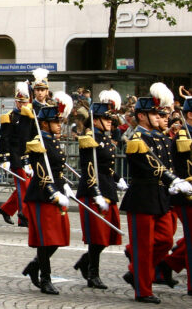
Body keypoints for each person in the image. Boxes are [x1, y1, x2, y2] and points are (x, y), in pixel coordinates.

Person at [121, 83, 192, 304]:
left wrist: (174, 182)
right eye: (154, 114)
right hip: (142, 197)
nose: (160, 117)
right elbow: (154, 166)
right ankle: (143, 290)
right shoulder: (137, 140)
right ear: (142, 116)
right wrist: (174, 180)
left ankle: (137, 271)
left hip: (160, 196)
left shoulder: (160, 137)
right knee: (142, 246)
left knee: (164, 239)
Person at [21, 92, 74, 295]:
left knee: (59, 237)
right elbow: (42, 172)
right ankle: (45, 279)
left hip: (56, 191)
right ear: (44, 124)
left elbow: (56, 169)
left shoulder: (51, 139)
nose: (59, 125)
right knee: (47, 239)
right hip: (43, 195)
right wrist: (54, 192)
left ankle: (34, 267)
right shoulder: (38, 142)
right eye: (55, 122)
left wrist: (65, 185)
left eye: (59, 121)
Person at [72, 90, 126, 289]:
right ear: (96, 120)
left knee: (109, 236)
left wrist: (119, 179)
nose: (110, 121)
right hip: (93, 191)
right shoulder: (90, 138)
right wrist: (95, 192)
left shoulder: (105, 138)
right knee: (98, 236)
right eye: (105, 118)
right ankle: (92, 273)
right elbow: (89, 168)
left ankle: (85, 262)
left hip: (108, 190)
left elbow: (107, 167)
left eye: (110, 118)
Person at [159, 96, 192, 296]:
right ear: (190, 115)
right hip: (186, 195)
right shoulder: (182, 136)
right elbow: (181, 169)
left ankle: (167, 264)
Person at [0, 81, 34, 227]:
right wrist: (4, 158)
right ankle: (23, 217)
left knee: (27, 186)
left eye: (24, 102)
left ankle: (6, 209)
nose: (22, 105)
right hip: (15, 156)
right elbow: (4, 139)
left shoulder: (30, 116)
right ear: (16, 102)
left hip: (28, 156)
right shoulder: (10, 117)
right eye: (19, 102)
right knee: (23, 186)